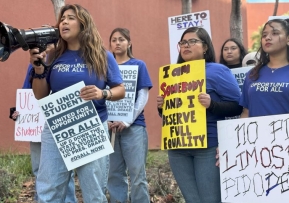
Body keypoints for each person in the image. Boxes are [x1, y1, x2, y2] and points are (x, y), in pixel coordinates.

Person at [29, 4, 125, 203]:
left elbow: (120, 90)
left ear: (83, 24)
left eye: (70, 18)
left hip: (91, 126)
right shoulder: (53, 56)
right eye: (62, 18)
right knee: (49, 191)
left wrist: (103, 93)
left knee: (94, 193)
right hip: (57, 127)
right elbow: (41, 96)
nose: (64, 21)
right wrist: (38, 67)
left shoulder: (102, 55)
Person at [156, 27, 241, 203]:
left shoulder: (218, 71)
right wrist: (162, 108)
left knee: (210, 199)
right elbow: (171, 114)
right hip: (177, 147)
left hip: (208, 147)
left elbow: (237, 106)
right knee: (192, 200)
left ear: (205, 47)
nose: (186, 45)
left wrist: (212, 105)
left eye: (192, 41)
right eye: (183, 42)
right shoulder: (171, 74)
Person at [9, 63, 77, 203]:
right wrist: (19, 110)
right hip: (36, 125)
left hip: (60, 123)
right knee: (39, 169)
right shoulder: (34, 64)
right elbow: (27, 91)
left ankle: (68, 200)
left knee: (64, 171)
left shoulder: (65, 61)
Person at [107, 28, 152, 203]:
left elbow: (143, 95)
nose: (117, 43)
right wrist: (108, 120)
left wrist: (127, 120)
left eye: (122, 39)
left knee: (137, 174)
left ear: (129, 43)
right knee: (113, 174)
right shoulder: (105, 67)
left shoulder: (139, 65)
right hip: (110, 128)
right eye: (114, 40)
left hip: (134, 127)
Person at [240, 18, 289, 118]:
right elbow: (246, 112)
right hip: (255, 133)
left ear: (288, 38)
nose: (268, 38)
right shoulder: (252, 74)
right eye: (264, 35)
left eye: (275, 33)